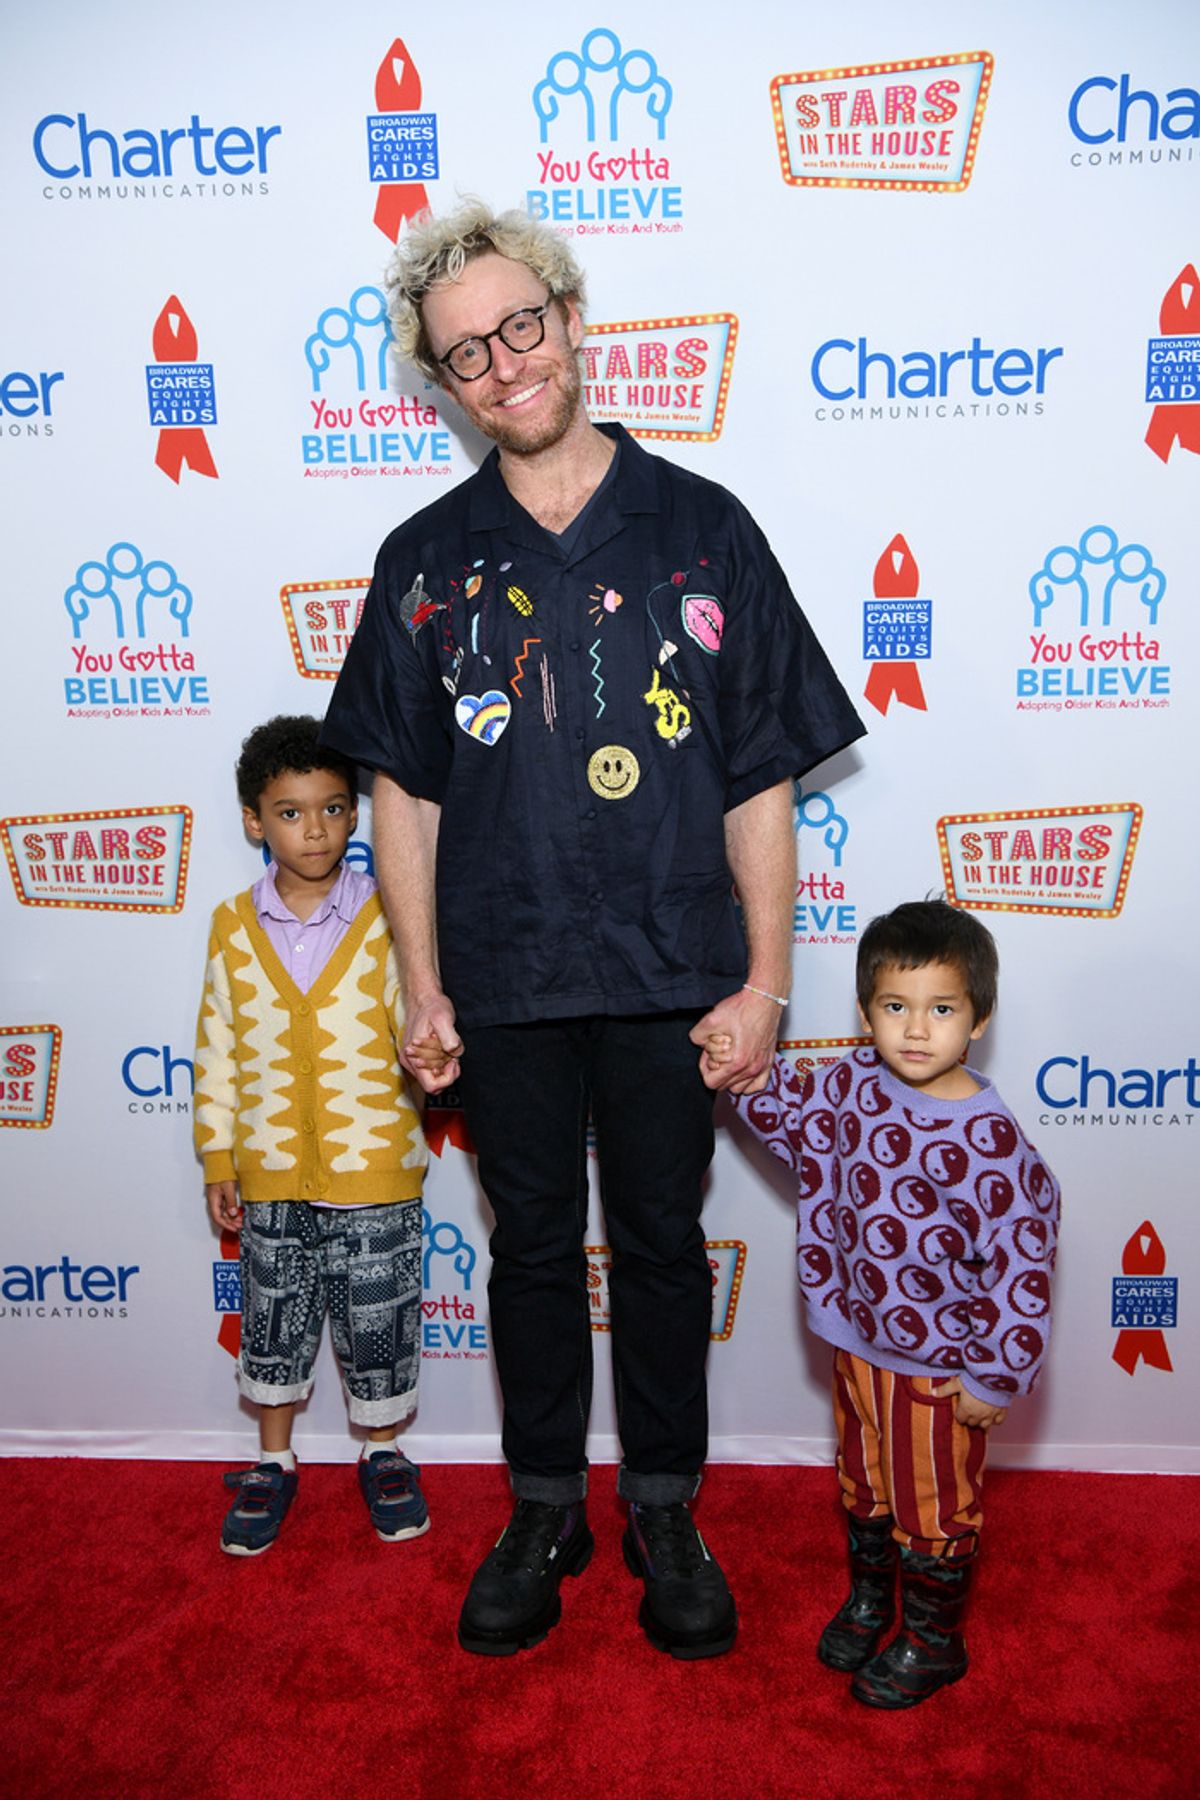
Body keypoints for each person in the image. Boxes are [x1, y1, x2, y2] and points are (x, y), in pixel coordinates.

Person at [320, 200, 864, 1658]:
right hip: (501, 975)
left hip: (673, 969)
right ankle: (545, 1504)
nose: (502, 363)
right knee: (533, 1254)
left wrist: (766, 981)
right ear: (441, 387)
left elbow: (759, 773)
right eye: (464, 354)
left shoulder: (704, 527)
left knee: (666, 1249)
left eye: (519, 325)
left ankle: (667, 1509)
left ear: (567, 319)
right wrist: (421, 987)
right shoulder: (424, 558)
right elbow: (403, 793)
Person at [717, 900, 1060, 1705]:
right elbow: (794, 1127)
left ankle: (934, 1639)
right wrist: (739, 1074)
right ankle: (875, 1600)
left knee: (933, 1504)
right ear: (866, 1011)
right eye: (895, 1008)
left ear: (979, 1019)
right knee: (865, 1484)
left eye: (941, 1009)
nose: (915, 1029)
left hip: (941, 1370)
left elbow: (1022, 1265)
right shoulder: (849, 1084)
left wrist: (994, 1374)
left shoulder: (991, 1142)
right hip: (855, 1345)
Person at [194, 715, 430, 1556]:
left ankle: (384, 1449)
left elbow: (416, 1015)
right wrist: (220, 1157)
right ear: (255, 820)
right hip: (270, 1174)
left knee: (382, 1317)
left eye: (332, 808)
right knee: (274, 1316)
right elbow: (216, 1047)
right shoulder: (231, 925)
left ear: (356, 815)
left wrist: (434, 1040)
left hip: (378, 1169)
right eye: (290, 813)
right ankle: (273, 1459)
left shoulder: (393, 916)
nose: (315, 829)